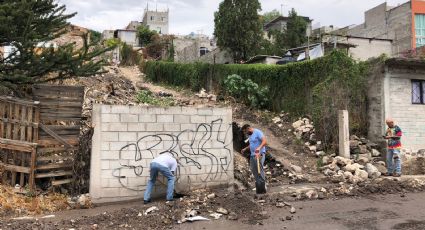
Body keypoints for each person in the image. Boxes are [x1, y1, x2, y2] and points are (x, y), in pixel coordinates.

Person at [240, 124, 267, 192]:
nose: (245, 133)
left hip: (259, 154)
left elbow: (264, 141)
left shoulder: (257, 132)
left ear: (248, 128)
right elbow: (252, 144)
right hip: (252, 155)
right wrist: (245, 148)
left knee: (259, 170)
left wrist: (259, 148)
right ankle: (258, 184)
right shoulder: (250, 135)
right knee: (253, 169)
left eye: (245, 131)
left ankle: (263, 186)